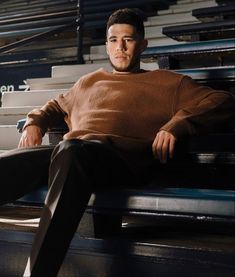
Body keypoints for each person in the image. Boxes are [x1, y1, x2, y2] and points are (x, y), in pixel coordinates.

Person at [0, 8, 234, 276]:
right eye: (113, 40)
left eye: (128, 39)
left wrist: (177, 124)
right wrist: (34, 123)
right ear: (107, 44)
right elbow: (54, 105)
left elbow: (221, 101)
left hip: (118, 162)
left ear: (143, 44)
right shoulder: (89, 82)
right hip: (72, 156)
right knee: (12, 164)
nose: (120, 47)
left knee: (70, 152)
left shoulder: (169, 83)